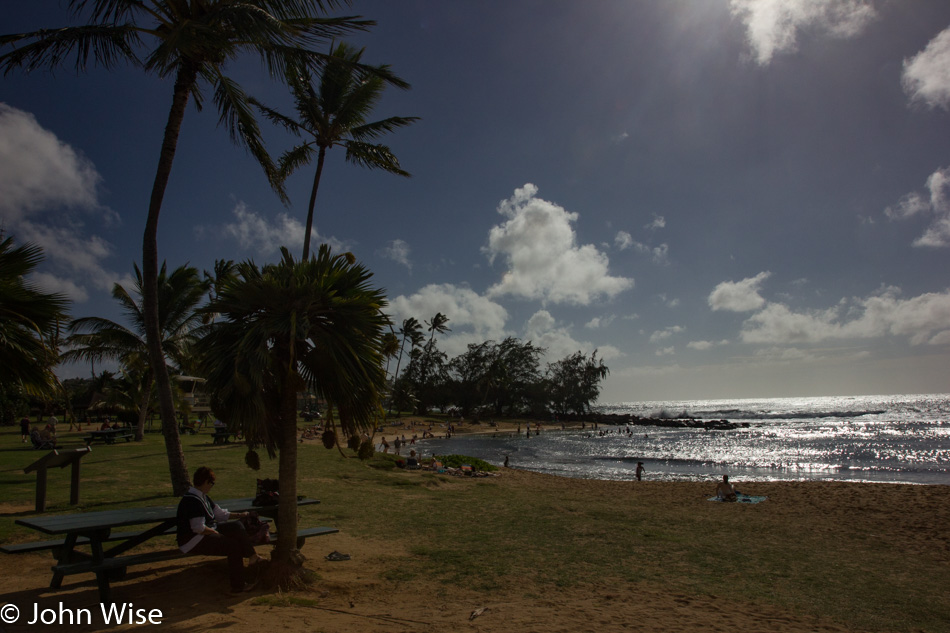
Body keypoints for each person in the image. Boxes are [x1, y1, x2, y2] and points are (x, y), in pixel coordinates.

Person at [176, 466, 263, 594]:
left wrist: (240, 515)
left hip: (205, 532)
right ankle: (238, 586)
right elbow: (198, 528)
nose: (212, 486)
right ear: (206, 482)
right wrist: (215, 533)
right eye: (211, 484)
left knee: (237, 526)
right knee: (233, 546)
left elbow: (220, 514)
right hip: (193, 540)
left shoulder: (202, 497)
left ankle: (252, 556)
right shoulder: (192, 501)